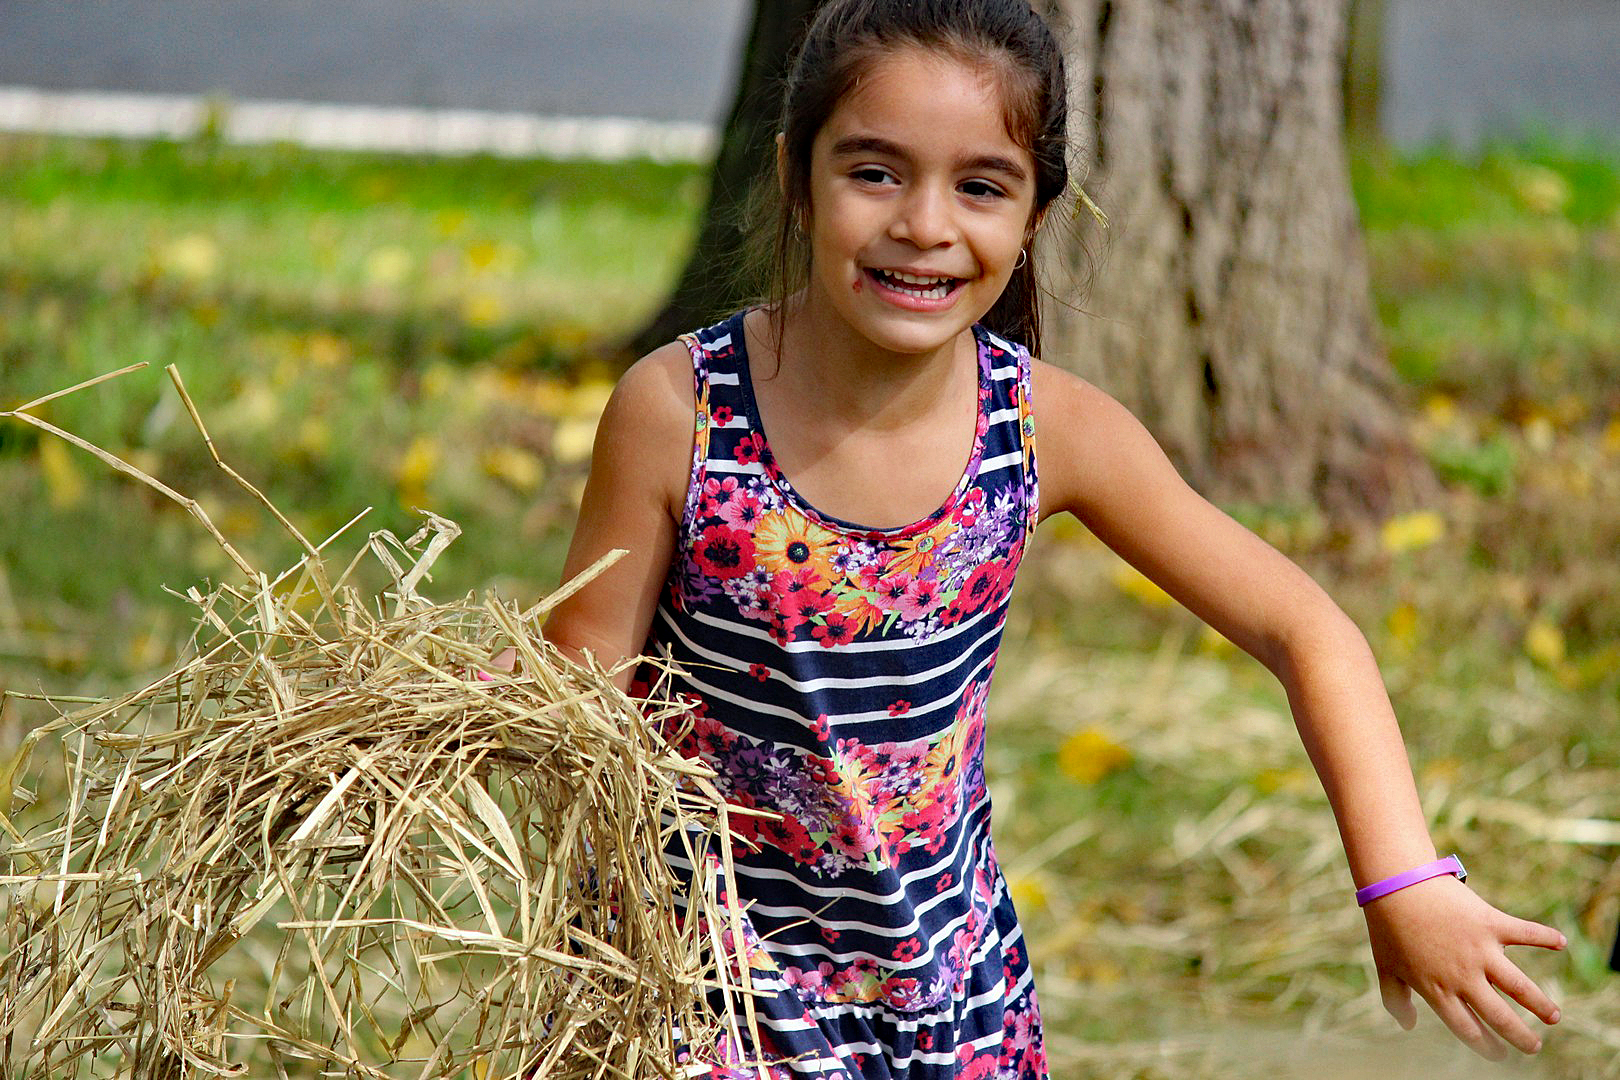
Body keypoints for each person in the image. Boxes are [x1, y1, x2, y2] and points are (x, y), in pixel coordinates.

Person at [540, 1, 1567, 1075]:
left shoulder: (1043, 429)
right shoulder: (681, 412)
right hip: (703, 1002)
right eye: (874, 173)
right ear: (798, 176)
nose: (926, 225)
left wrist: (1405, 882)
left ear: (1034, 212)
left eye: (981, 186)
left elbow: (1307, 630)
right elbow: (579, 707)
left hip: (949, 1006)